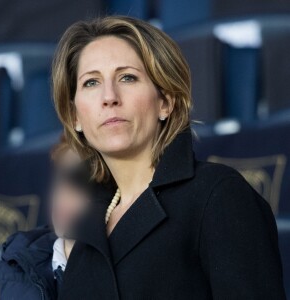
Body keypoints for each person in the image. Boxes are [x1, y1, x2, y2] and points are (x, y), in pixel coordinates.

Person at [52, 16, 286, 299]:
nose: (109, 96)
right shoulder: (83, 225)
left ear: (165, 102)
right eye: (91, 82)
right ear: (76, 115)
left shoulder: (218, 194)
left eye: (127, 77)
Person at [0, 135, 88, 300]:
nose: (66, 192)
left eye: (81, 182)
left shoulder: (128, 271)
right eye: (62, 177)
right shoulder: (13, 266)